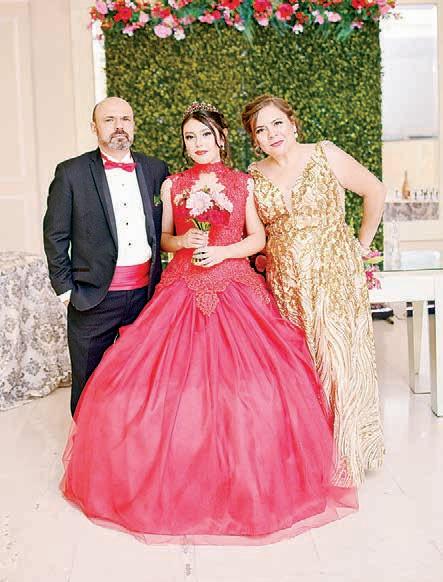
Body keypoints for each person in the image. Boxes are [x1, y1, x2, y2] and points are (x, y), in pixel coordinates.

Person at [60, 102, 357, 545]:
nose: (197, 144)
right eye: (189, 137)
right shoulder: (173, 184)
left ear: (221, 138)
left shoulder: (243, 183)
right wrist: (184, 240)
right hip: (182, 285)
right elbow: (162, 239)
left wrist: (222, 252)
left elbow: (257, 238)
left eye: (204, 135)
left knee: (251, 386)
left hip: (235, 284)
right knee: (165, 383)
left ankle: (244, 473)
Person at [242, 94, 386, 486]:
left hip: (335, 275)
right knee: (299, 367)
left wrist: (360, 246)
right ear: (254, 140)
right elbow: (255, 234)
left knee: (338, 359)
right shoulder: (253, 176)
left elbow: (375, 190)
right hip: (285, 284)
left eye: (277, 123)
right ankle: (311, 455)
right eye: (261, 130)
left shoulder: (325, 154)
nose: (271, 134)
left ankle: (348, 454)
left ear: (292, 124)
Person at [43, 97, 169, 416]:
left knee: (139, 380)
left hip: (146, 296)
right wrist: (66, 290)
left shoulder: (156, 169)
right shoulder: (71, 173)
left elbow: (165, 229)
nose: (119, 126)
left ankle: (130, 440)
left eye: (125, 119)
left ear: (134, 124)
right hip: (93, 297)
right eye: (109, 120)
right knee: (88, 383)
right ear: (94, 127)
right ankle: (86, 442)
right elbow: (55, 235)